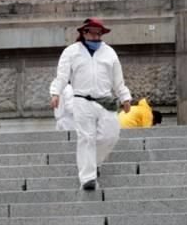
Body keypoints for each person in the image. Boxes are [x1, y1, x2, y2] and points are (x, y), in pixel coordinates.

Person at [49, 18, 132, 190]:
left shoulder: (109, 53)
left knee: (111, 135)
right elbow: (62, 76)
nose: (95, 36)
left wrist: (125, 97)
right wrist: (56, 93)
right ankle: (88, 178)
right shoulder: (71, 52)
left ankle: (94, 163)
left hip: (105, 99)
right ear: (84, 32)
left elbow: (118, 80)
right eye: (92, 32)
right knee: (86, 138)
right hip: (81, 99)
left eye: (98, 33)